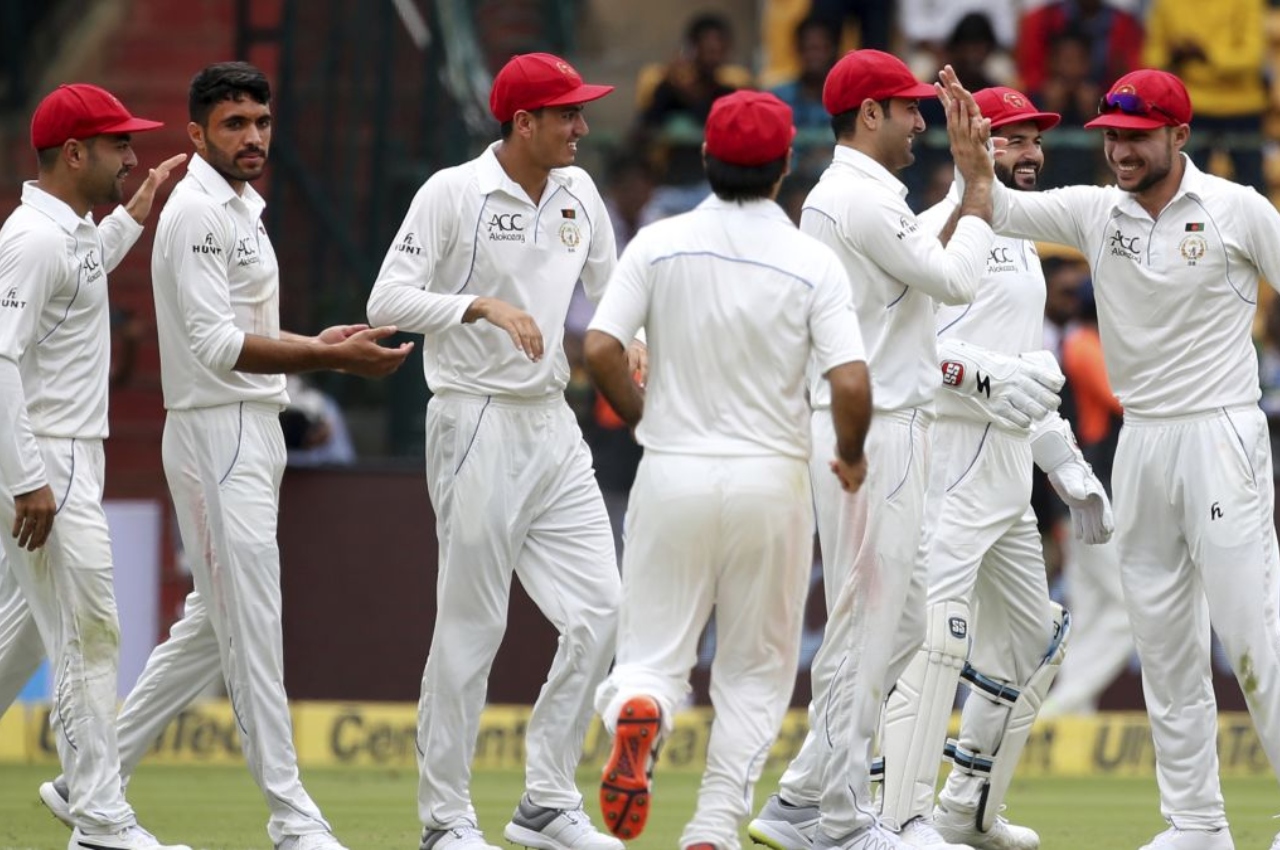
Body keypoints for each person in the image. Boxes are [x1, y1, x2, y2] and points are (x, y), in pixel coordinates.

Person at [34, 62, 412, 850]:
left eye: (261, 123)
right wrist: (327, 361)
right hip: (217, 430)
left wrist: (314, 343)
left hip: (251, 426)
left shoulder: (242, 208)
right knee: (253, 623)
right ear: (196, 133)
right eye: (234, 125)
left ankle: (86, 784)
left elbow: (241, 327)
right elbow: (211, 346)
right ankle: (292, 817)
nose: (253, 138)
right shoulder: (198, 215)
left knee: (214, 624)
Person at [938, 65, 1280, 850]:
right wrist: (972, 155)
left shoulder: (1238, 211)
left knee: (1256, 636)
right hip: (1142, 441)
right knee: (1162, 640)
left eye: (1136, 138)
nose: (1120, 152)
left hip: (1221, 432)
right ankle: (1196, 823)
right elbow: (999, 206)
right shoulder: (1098, 214)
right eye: (1112, 138)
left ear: (1180, 136)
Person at [585, 89, 873, 850]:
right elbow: (849, 383)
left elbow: (601, 349)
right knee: (754, 670)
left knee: (650, 652)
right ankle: (712, 825)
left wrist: (645, 415)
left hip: (673, 468)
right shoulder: (814, 261)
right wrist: (848, 454)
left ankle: (639, 708)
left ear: (706, 159)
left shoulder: (656, 240)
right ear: (784, 167)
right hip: (771, 481)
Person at [366, 52, 640, 850]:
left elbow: (616, 293)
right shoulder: (454, 191)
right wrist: (480, 305)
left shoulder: (579, 192)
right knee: (472, 623)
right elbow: (387, 299)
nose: (583, 128)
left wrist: (641, 343)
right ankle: (445, 819)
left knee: (602, 611)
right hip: (473, 416)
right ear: (524, 124)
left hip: (551, 422)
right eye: (568, 115)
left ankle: (547, 801)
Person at [743, 51, 1004, 850]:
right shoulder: (857, 200)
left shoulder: (863, 198)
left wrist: (968, 182)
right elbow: (957, 280)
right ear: (869, 115)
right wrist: (981, 186)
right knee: (868, 619)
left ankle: (803, 796)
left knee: (897, 618)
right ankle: (840, 818)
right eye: (907, 109)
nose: (920, 121)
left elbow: (926, 255)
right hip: (874, 423)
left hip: (888, 421)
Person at [873, 86, 1112, 850]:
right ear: (969, 144)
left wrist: (1064, 464)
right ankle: (891, 817)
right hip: (944, 461)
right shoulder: (940, 227)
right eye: (1008, 139)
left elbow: (1023, 372)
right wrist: (989, 381)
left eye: (1033, 138)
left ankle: (964, 808)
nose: (1030, 152)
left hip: (1007, 478)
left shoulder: (1018, 236)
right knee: (930, 638)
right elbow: (910, 353)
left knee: (1035, 639)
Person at [0, 82, 187, 850]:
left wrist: (132, 217)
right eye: (118, 145)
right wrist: (27, 478)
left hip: (64, 455)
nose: (131, 155)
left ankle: (100, 812)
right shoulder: (35, 240)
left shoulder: (71, 233)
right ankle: (102, 819)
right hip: (49, 458)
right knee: (92, 633)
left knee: (25, 641)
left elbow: (84, 271)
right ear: (73, 152)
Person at [1042, 282, 1134, 719]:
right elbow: (1123, 401)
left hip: (1085, 494)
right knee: (1131, 611)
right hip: (1091, 497)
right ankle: (1061, 709)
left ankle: (1073, 722)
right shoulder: (1083, 343)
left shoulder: (1082, 341)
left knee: (1093, 612)